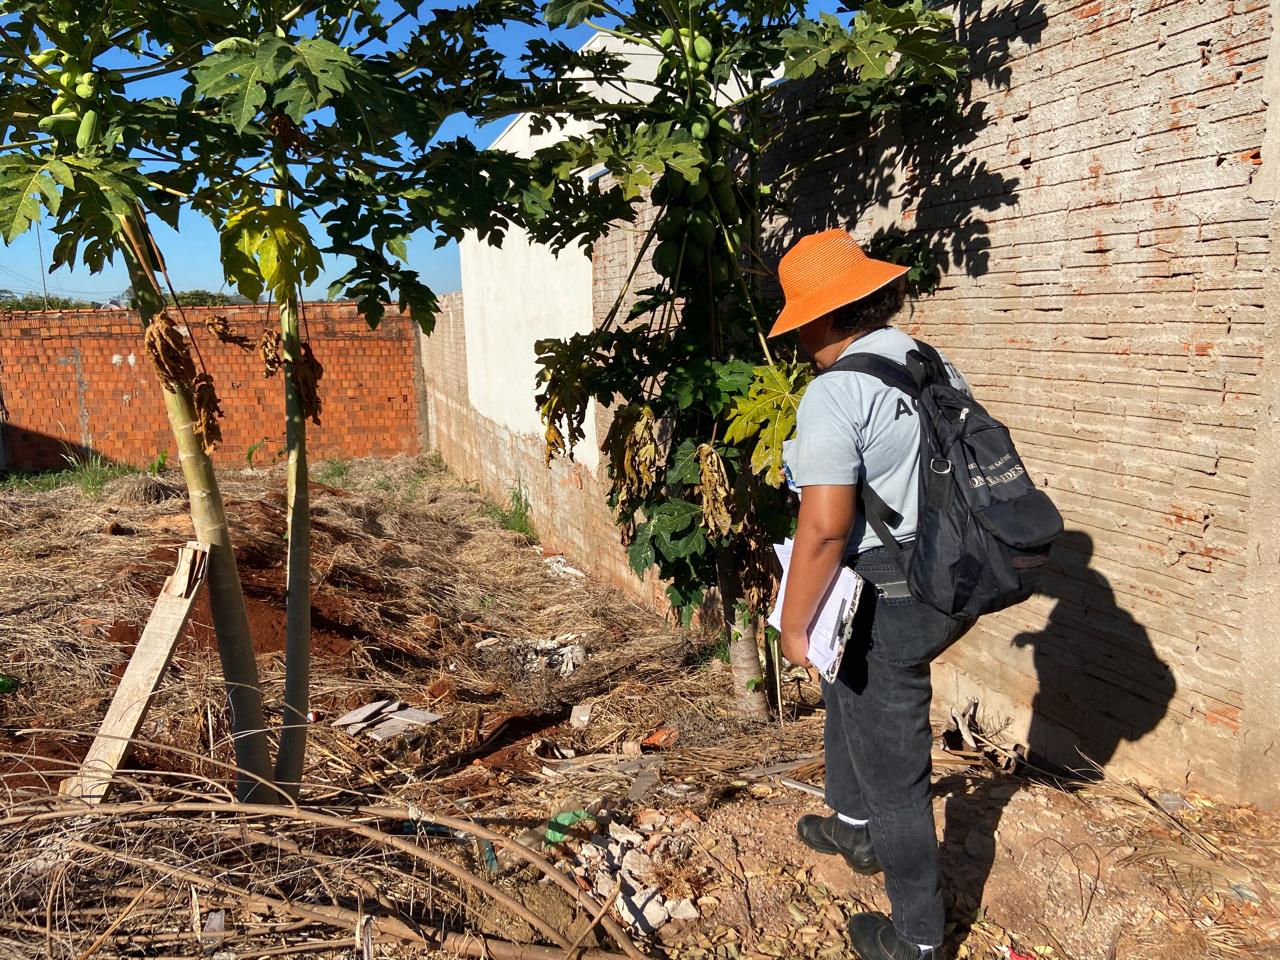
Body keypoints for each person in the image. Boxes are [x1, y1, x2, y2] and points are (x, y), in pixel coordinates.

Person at [772, 229, 971, 960]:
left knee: (899, 772)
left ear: (820, 317)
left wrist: (795, 626)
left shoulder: (833, 394)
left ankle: (918, 939)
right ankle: (852, 826)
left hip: (890, 597)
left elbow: (824, 530)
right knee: (845, 685)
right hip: (944, 573)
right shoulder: (926, 359)